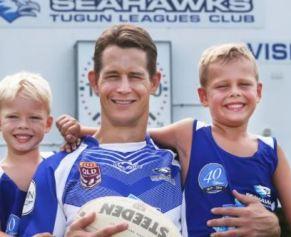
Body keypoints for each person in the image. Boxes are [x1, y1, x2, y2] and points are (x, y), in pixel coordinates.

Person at [56, 43, 285, 237]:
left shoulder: (270, 150)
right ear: (203, 96)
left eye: (244, 84)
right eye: (222, 86)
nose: (234, 92)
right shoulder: (189, 135)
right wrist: (83, 132)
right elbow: (131, 134)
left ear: (259, 91)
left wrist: (274, 226)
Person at [19, 24, 183, 237]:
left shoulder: (183, 166)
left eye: (135, 76)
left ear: (154, 82)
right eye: (113, 76)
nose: (124, 88)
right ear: (94, 82)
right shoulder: (56, 169)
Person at [0, 72, 54, 237]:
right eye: (13, 117)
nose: (23, 125)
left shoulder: (59, 166)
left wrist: (79, 131)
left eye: (34, 118)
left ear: (48, 124)